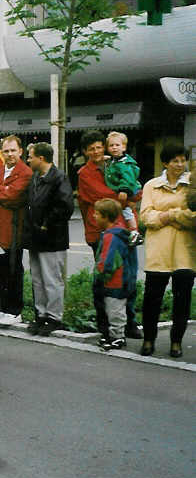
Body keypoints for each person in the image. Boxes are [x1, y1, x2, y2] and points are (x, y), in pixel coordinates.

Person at [76, 130, 142, 339]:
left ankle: (129, 322)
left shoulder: (114, 163)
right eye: (91, 149)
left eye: (98, 147)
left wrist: (131, 194)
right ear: (85, 152)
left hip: (123, 231)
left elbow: (136, 188)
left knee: (128, 277)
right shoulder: (84, 174)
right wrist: (127, 197)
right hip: (100, 232)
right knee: (104, 279)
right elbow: (102, 198)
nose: (96, 151)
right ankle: (105, 327)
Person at [138, 143, 195, 358]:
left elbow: (194, 216)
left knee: (182, 300)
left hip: (185, 251)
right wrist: (176, 214)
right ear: (165, 163)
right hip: (158, 251)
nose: (180, 164)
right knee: (152, 298)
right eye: (175, 161)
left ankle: (176, 342)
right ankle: (149, 339)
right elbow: (145, 216)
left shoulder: (192, 183)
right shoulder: (152, 185)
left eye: (183, 160)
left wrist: (167, 216)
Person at [0, 134, 33, 326]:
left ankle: (14, 310)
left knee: (13, 271)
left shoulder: (26, 172)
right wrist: (2, 191)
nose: (9, 154)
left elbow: (15, 196)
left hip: (13, 230)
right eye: (6, 151)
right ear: (1, 153)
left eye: (12, 151)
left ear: (20, 151)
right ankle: (1, 308)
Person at [25, 142, 74, 335]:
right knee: (37, 279)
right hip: (36, 238)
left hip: (52, 239)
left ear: (41, 158)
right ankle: (41, 314)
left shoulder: (59, 178)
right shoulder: (35, 177)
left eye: (30, 156)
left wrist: (45, 224)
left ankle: (54, 317)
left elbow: (65, 207)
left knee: (52, 279)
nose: (28, 160)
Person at [92, 199, 138, 351]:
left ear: (106, 217)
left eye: (97, 214)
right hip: (122, 280)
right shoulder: (120, 233)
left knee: (114, 310)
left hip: (113, 282)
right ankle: (112, 335)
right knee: (116, 309)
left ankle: (117, 337)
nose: (94, 216)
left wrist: (99, 272)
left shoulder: (111, 236)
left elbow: (108, 261)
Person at [104, 131, 142, 243]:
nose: (114, 148)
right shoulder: (115, 161)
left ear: (124, 147)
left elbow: (128, 177)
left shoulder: (125, 164)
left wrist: (124, 189)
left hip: (128, 190)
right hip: (123, 190)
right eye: (111, 145)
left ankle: (135, 232)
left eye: (117, 145)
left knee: (126, 210)